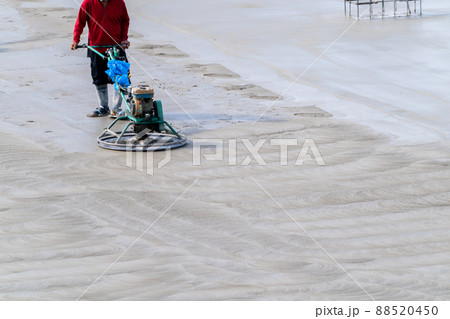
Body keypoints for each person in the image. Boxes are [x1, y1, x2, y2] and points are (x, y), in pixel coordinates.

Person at [71, 0, 130, 118]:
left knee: (120, 78)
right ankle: (103, 107)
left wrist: (124, 38)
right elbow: (80, 22)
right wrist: (76, 39)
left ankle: (116, 108)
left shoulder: (119, 3)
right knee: (99, 78)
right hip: (96, 47)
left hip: (116, 47)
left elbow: (125, 21)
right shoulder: (87, 3)